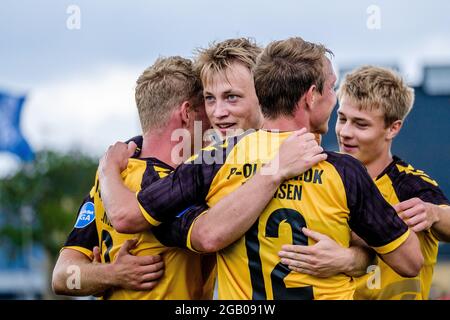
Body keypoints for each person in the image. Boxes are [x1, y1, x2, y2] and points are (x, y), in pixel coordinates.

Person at [98, 37, 423, 300]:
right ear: (311, 96)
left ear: (261, 91)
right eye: (210, 99)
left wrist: (350, 258)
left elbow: (161, 223)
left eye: (232, 97)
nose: (219, 112)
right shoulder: (344, 171)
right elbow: (409, 261)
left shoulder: (211, 162)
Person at [278, 65, 450, 300]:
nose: (345, 132)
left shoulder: (409, 184)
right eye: (342, 118)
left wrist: (434, 214)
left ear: (392, 128)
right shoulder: (321, 174)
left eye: (361, 124)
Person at [52, 56, 215, 299]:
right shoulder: (173, 185)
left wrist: (107, 274)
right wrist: (114, 274)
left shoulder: (111, 177)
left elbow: (64, 276)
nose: (213, 120)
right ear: (187, 113)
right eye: (207, 107)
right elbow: (61, 278)